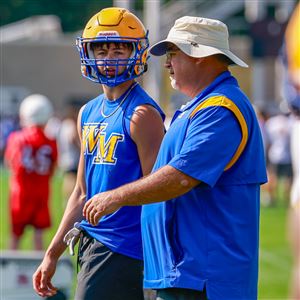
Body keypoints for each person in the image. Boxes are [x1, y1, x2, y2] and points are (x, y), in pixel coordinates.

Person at [82, 16, 268, 300]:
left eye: (173, 54)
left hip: (207, 278)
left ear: (201, 57)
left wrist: (114, 197)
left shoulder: (220, 110)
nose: (167, 63)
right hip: (185, 275)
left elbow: (180, 178)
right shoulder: (199, 106)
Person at [32, 7, 165, 300]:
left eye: (119, 50)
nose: (109, 59)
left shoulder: (142, 115)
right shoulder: (87, 112)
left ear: (138, 52)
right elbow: (81, 191)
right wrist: (52, 252)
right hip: (92, 243)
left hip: (127, 249)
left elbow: (159, 189)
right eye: (101, 50)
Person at [4, 94, 57, 250]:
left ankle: (8, 273)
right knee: (39, 238)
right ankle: (41, 273)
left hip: (20, 193)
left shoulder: (16, 138)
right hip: (41, 193)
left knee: (15, 238)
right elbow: (53, 168)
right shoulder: (50, 141)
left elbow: (10, 163)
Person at [57, 100, 81, 203]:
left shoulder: (63, 124)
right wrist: (82, 148)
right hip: (73, 158)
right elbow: (73, 139)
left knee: (68, 178)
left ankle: (67, 200)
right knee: (72, 180)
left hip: (65, 156)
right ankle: (70, 201)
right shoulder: (71, 125)